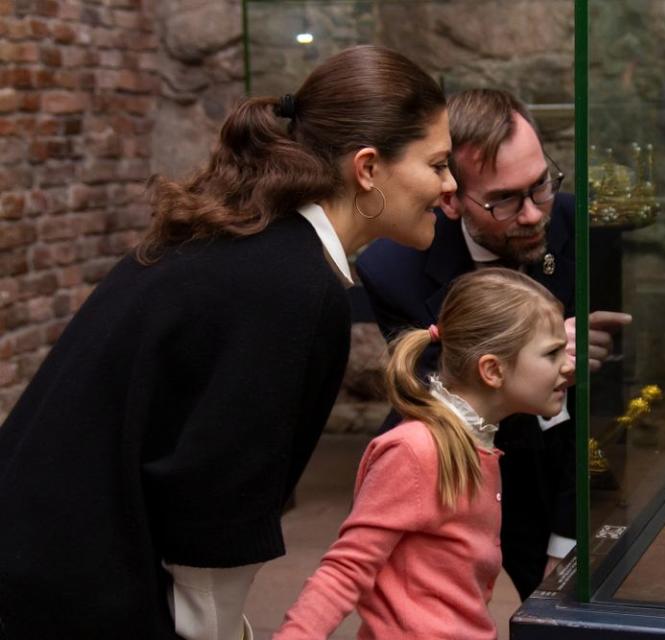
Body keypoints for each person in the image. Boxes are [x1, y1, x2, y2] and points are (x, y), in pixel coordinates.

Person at [0, 45, 456, 640]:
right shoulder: (293, 284)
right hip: (60, 591)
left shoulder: (252, 242)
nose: (449, 187)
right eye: (438, 164)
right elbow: (216, 506)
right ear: (367, 168)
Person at [356, 88, 630, 599]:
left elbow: (611, 403)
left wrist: (569, 535)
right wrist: (538, 354)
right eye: (504, 199)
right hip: (485, 477)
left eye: (541, 186)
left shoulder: (589, 227)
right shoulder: (393, 270)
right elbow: (435, 406)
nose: (532, 214)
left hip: (589, 469)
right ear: (450, 199)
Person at [274, 268, 574, 640]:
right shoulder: (415, 451)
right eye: (552, 353)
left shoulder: (476, 441)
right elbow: (344, 570)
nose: (569, 365)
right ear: (493, 370)